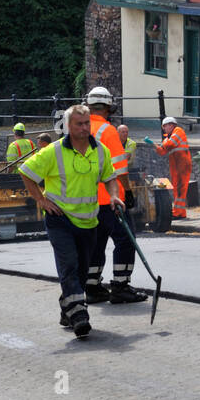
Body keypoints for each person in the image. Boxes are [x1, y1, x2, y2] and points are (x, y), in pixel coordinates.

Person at [19, 105, 118, 338]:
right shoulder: (52, 152)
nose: (84, 128)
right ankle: (79, 315)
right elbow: (26, 172)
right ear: (68, 126)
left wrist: (114, 195)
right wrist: (41, 201)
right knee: (69, 265)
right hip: (60, 220)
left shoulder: (100, 150)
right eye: (79, 124)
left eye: (86, 123)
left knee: (83, 270)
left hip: (88, 221)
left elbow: (110, 177)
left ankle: (67, 307)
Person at [83, 87, 150, 303]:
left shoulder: (76, 129)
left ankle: (92, 287)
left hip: (85, 200)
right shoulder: (107, 130)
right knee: (125, 240)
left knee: (96, 243)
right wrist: (128, 192)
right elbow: (119, 169)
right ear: (109, 108)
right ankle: (120, 286)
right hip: (109, 199)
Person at [154, 116, 192, 220]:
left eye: (164, 126)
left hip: (182, 164)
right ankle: (180, 213)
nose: (164, 129)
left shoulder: (178, 131)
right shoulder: (169, 137)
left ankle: (178, 213)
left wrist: (164, 142)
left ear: (171, 125)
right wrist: (155, 146)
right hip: (176, 166)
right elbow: (163, 151)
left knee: (180, 188)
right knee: (178, 189)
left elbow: (170, 144)